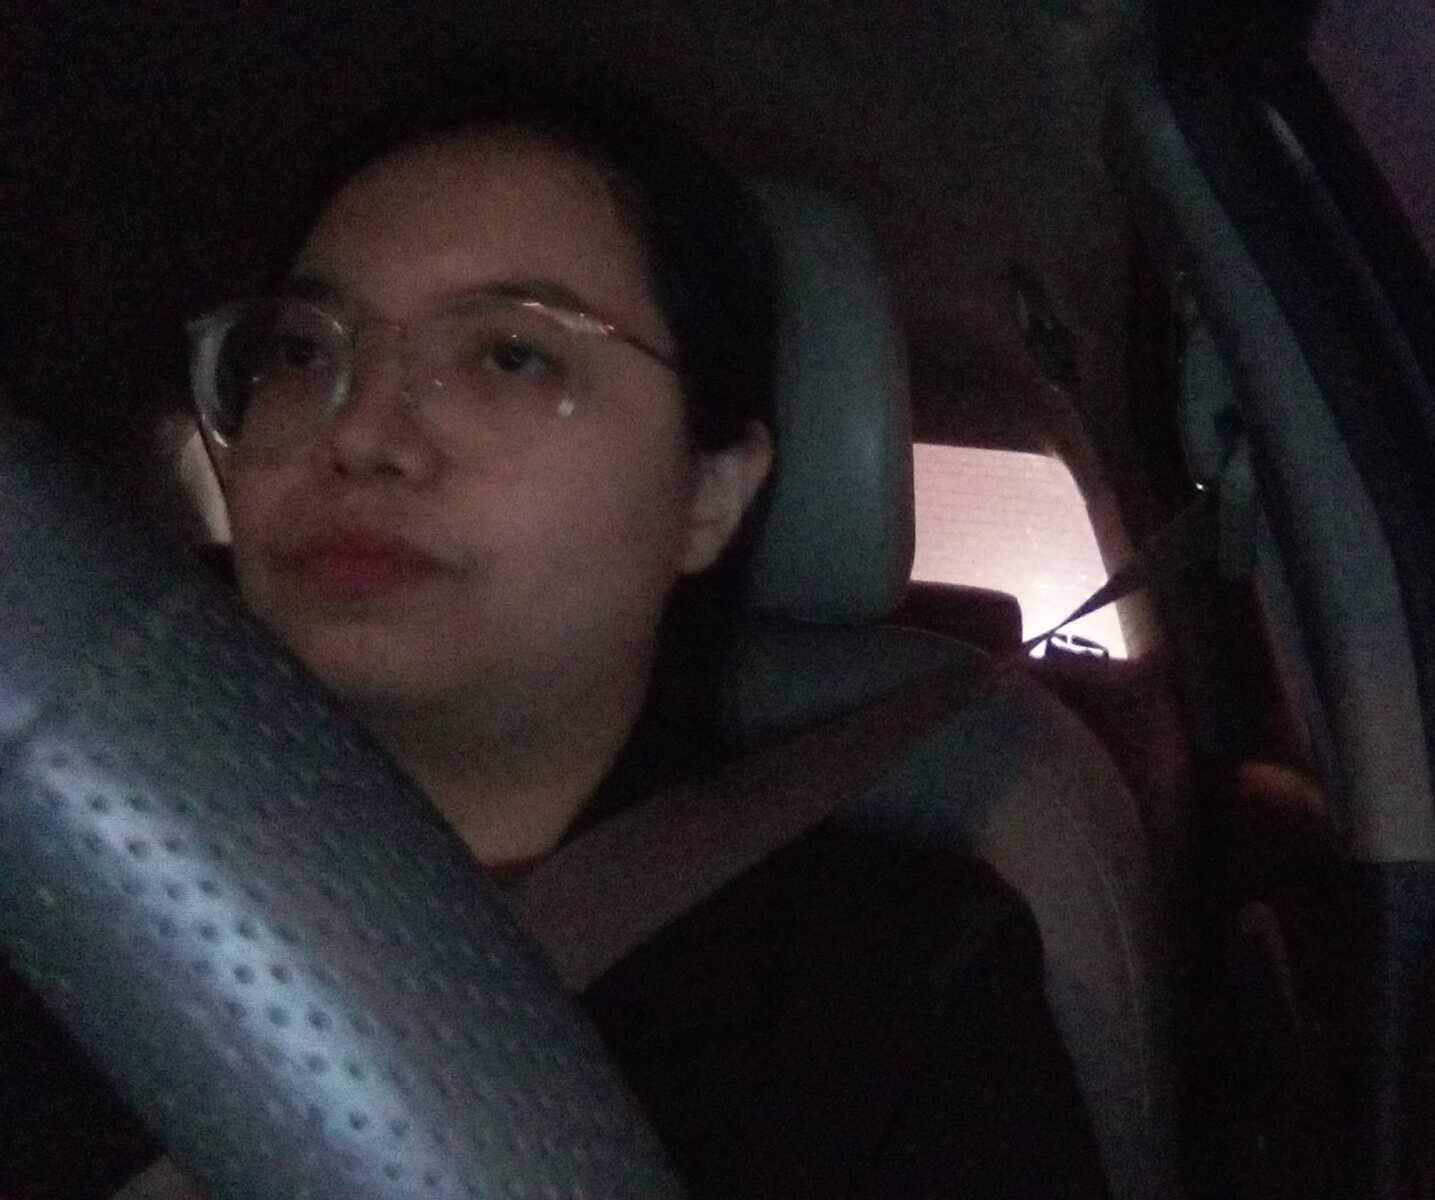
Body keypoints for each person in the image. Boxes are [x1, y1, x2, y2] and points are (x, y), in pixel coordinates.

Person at [5, 72, 1108, 1199]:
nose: (363, 435)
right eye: (300, 351)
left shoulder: (888, 994)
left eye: (510, 356)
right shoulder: (52, 870)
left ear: (711, 495)